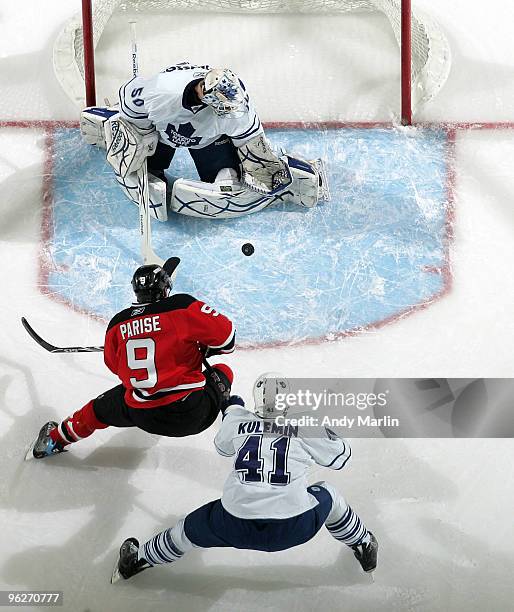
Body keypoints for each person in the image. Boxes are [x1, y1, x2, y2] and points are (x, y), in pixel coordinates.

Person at [111, 373, 378, 583]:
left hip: (232, 522)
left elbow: (223, 446)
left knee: (184, 533)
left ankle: (137, 561)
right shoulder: (306, 426)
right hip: (293, 526)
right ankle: (364, 544)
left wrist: (231, 411)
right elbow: (342, 458)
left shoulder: (239, 421)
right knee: (329, 493)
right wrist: (327, 429)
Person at [29, 257, 235, 459]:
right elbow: (228, 340)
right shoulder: (181, 306)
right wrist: (202, 348)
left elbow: (114, 365)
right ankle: (234, 422)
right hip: (191, 413)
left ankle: (52, 441)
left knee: (96, 410)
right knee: (222, 372)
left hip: (142, 413)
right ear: (165, 289)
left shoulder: (118, 323)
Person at [80, 62, 328, 220]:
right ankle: (112, 129)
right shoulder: (161, 91)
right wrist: (136, 140)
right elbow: (131, 103)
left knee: (223, 175)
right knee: (144, 156)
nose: (229, 114)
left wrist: (270, 172)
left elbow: (252, 146)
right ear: (205, 95)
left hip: (209, 139)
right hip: (161, 131)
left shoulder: (238, 108)